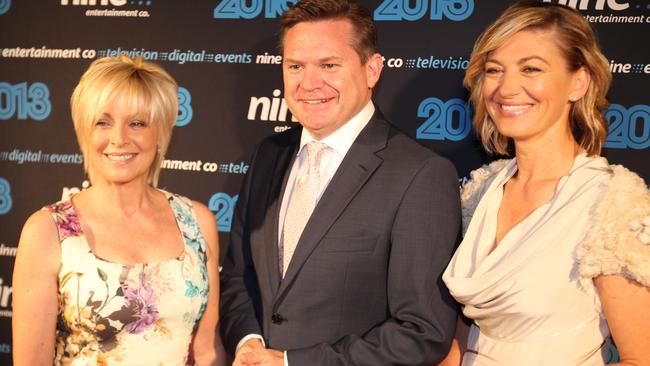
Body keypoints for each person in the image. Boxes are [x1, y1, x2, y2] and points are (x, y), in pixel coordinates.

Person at [219, 0, 461, 365]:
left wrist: (290, 362)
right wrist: (248, 342)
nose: (309, 83)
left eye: (329, 65)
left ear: (372, 70)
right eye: (295, 66)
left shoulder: (420, 175)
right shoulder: (268, 155)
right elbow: (239, 274)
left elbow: (422, 331)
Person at [441, 2, 650, 365]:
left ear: (578, 82)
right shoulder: (478, 193)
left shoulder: (612, 203)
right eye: (494, 70)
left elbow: (640, 357)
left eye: (531, 69)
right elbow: (463, 334)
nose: (507, 88)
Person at [12, 55, 226, 366]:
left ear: (161, 133)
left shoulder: (197, 223)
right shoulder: (48, 230)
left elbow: (208, 351)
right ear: (85, 131)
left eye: (137, 123)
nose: (119, 139)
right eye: (103, 122)